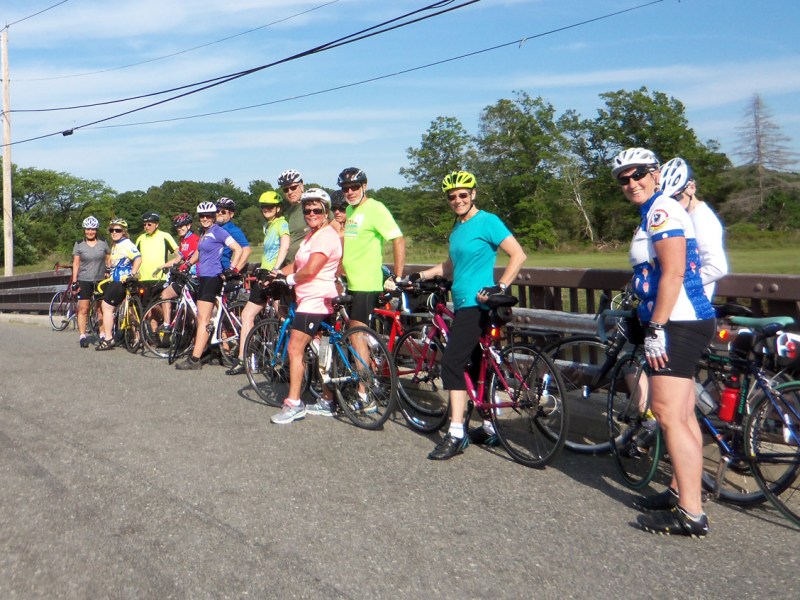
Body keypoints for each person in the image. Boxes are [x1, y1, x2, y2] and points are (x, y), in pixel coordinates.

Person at [611, 148, 716, 537]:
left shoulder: (662, 212)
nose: (631, 182)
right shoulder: (653, 211)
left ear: (656, 174)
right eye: (623, 178)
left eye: (638, 174)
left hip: (677, 322)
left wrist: (655, 328)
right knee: (683, 415)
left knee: (668, 415)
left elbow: (673, 274)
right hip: (682, 320)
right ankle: (680, 492)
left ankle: (691, 513)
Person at [410, 171, 526, 460]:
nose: (458, 200)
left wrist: (500, 285)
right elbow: (450, 265)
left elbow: (518, 254)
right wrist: (421, 275)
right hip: (462, 303)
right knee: (476, 364)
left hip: (478, 306)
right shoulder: (458, 229)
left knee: (452, 362)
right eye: (452, 196)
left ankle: (456, 432)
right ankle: (490, 427)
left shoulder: (487, 221)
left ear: (473, 194)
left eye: (463, 194)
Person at [270, 188, 342, 424]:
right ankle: (328, 399)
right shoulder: (312, 236)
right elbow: (298, 264)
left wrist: (288, 280)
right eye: (307, 210)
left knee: (295, 348)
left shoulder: (325, 236)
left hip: (315, 300)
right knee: (322, 351)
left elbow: (310, 270)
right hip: (315, 299)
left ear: (326, 211)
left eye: (316, 210)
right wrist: (275, 274)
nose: (311, 213)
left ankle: (294, 403)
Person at [227, 191, 290, 375]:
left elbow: (285, 246)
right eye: (263, 207)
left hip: (273, 276)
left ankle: (288, 360)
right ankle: (244, 358)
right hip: (264, 273)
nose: (266, 209)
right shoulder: (267, 226)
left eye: (270, 207)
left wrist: (275, 269)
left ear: (278, 208)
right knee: (249, 315)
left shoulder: (281, 223)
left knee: (282, 317)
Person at [175, 202, 243, 371]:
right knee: (206, 317)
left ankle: (195, 359)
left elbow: (238, 249)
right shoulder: (205, 233)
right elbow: (199, 252)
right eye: (202, 216)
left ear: (213, 216)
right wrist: (187, 264)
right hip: (204, 277)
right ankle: (214, 350)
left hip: (212, 277)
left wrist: (232, 268)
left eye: (208, 216)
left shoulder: (218, 231)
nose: (205, 218)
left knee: (203, 319)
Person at [338, 167, 405, 331]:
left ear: (364, 186)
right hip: (351, 282)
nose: (350, 192)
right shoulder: (350, 210)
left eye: (354, 187)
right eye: (345, 188)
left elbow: (398, 238)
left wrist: (396, 276)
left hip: (366, 283)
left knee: (356, 331)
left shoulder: (375, 208)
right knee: (353, 332)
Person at [660, 157, 728, 300]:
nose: (672, 205)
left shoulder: (703, 220)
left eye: (676, 198)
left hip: (692, 304)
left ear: (691, 188)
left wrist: (675, 284)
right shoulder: (685, 216)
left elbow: (717, 268)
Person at [96, 218, 142, 351]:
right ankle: (137, 337)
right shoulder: (116, 245)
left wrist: (131, 274)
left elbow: (138, 258)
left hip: (121, 281)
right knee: (129, 308)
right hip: (117, 279)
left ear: (124, 232)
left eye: (117, 230)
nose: (114, 232)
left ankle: (108, 338)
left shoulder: (126, 244)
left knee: (107, 307)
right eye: (112, 230)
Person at [71, 216, 110, 348]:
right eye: (88, 229)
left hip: (100, 280)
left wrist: (108, 269)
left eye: (93, 229)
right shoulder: (79, 244)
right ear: (84, 230)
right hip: (84, 279)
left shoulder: (103, 243)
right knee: (84, 309)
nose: (90, 232)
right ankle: (82, 336)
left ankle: (102, 333)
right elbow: (76, 263)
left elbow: (108, 258)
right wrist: (74, 281)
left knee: (100, 308)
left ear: (96, 230)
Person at [156, 213, 200, 330]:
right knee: (166, 295)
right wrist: (162, 266)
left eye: (182, 226)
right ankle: (167, 324)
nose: (179, 229)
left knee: (190, 307)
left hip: (194, 276)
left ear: (188, 226)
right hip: (185, 275)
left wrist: (188, 266)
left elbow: (198, 256)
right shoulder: (183, 240)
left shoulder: (195, 239)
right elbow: (178, 258)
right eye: (177, 227)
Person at [134, 212, 179, 307]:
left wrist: (169, 265)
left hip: (160, 278)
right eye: (144, 225)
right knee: (145, 309)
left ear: (156, 224)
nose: (146, 227)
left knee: (158, 306)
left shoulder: (165, 236)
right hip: (143, 279)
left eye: (149, 224)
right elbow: (134, 257)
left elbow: (178, 253)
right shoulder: (140, 238)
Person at [277, 169, 308, 264]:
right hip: (289, 265)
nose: (290, 192)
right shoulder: (288, 212)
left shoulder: (312, 207)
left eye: (293, 187)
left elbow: (336, 229)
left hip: (306, 265)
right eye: (286, 190)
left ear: (301, 186)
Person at [214, 198, 251, 273]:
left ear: (231, 214)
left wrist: (235, 270)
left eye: (223, 212)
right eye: (217, 211)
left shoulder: (233, 230)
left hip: (223, 270)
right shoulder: (213, 227)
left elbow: (247, 250)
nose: (219, 213)